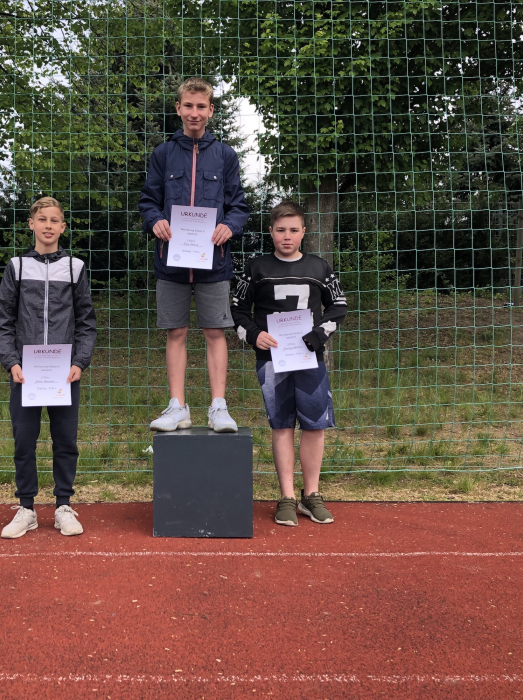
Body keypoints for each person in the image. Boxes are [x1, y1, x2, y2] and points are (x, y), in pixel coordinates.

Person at [138, 77, 250, 433]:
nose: (194, 112)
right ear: (178, 108)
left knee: (216, 332)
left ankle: (218, 407)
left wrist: (229, 226)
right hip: (170, 262)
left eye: (201, 106)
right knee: (176, 332)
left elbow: (238, 206)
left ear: (211, 110)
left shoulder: (226, 155)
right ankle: (177, 407)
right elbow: (148, 201)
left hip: (213, 263)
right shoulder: (163, 154)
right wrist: (155, 220)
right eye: (188, 105)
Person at [231, 201, 347, 526]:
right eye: (281, 230)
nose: (287, 236)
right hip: (272, 360)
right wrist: (253, 334)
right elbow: (238, 309)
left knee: (314, 425)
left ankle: (312, 494)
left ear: (303, 232)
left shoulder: (320, 268)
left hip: (309, 359)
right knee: (281, 425)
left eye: (294, 230)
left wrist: (319, 335)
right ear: (271, 232)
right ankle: (286, 496)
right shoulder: (256, 268)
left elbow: (338, 306)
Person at [0, 197, 97, 539]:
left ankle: (63, 505)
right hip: (26, 374)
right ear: (31, 224)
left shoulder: (75, 267)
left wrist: (79, 361)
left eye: (54, 220)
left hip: (65, 374)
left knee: (65, 441)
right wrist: (11, 362)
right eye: (42, 219)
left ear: (63, 227)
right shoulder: (17, 266)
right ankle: (26, 508)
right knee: (24, 441)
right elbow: (3, 322)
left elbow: (86, 322)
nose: (48, 225)